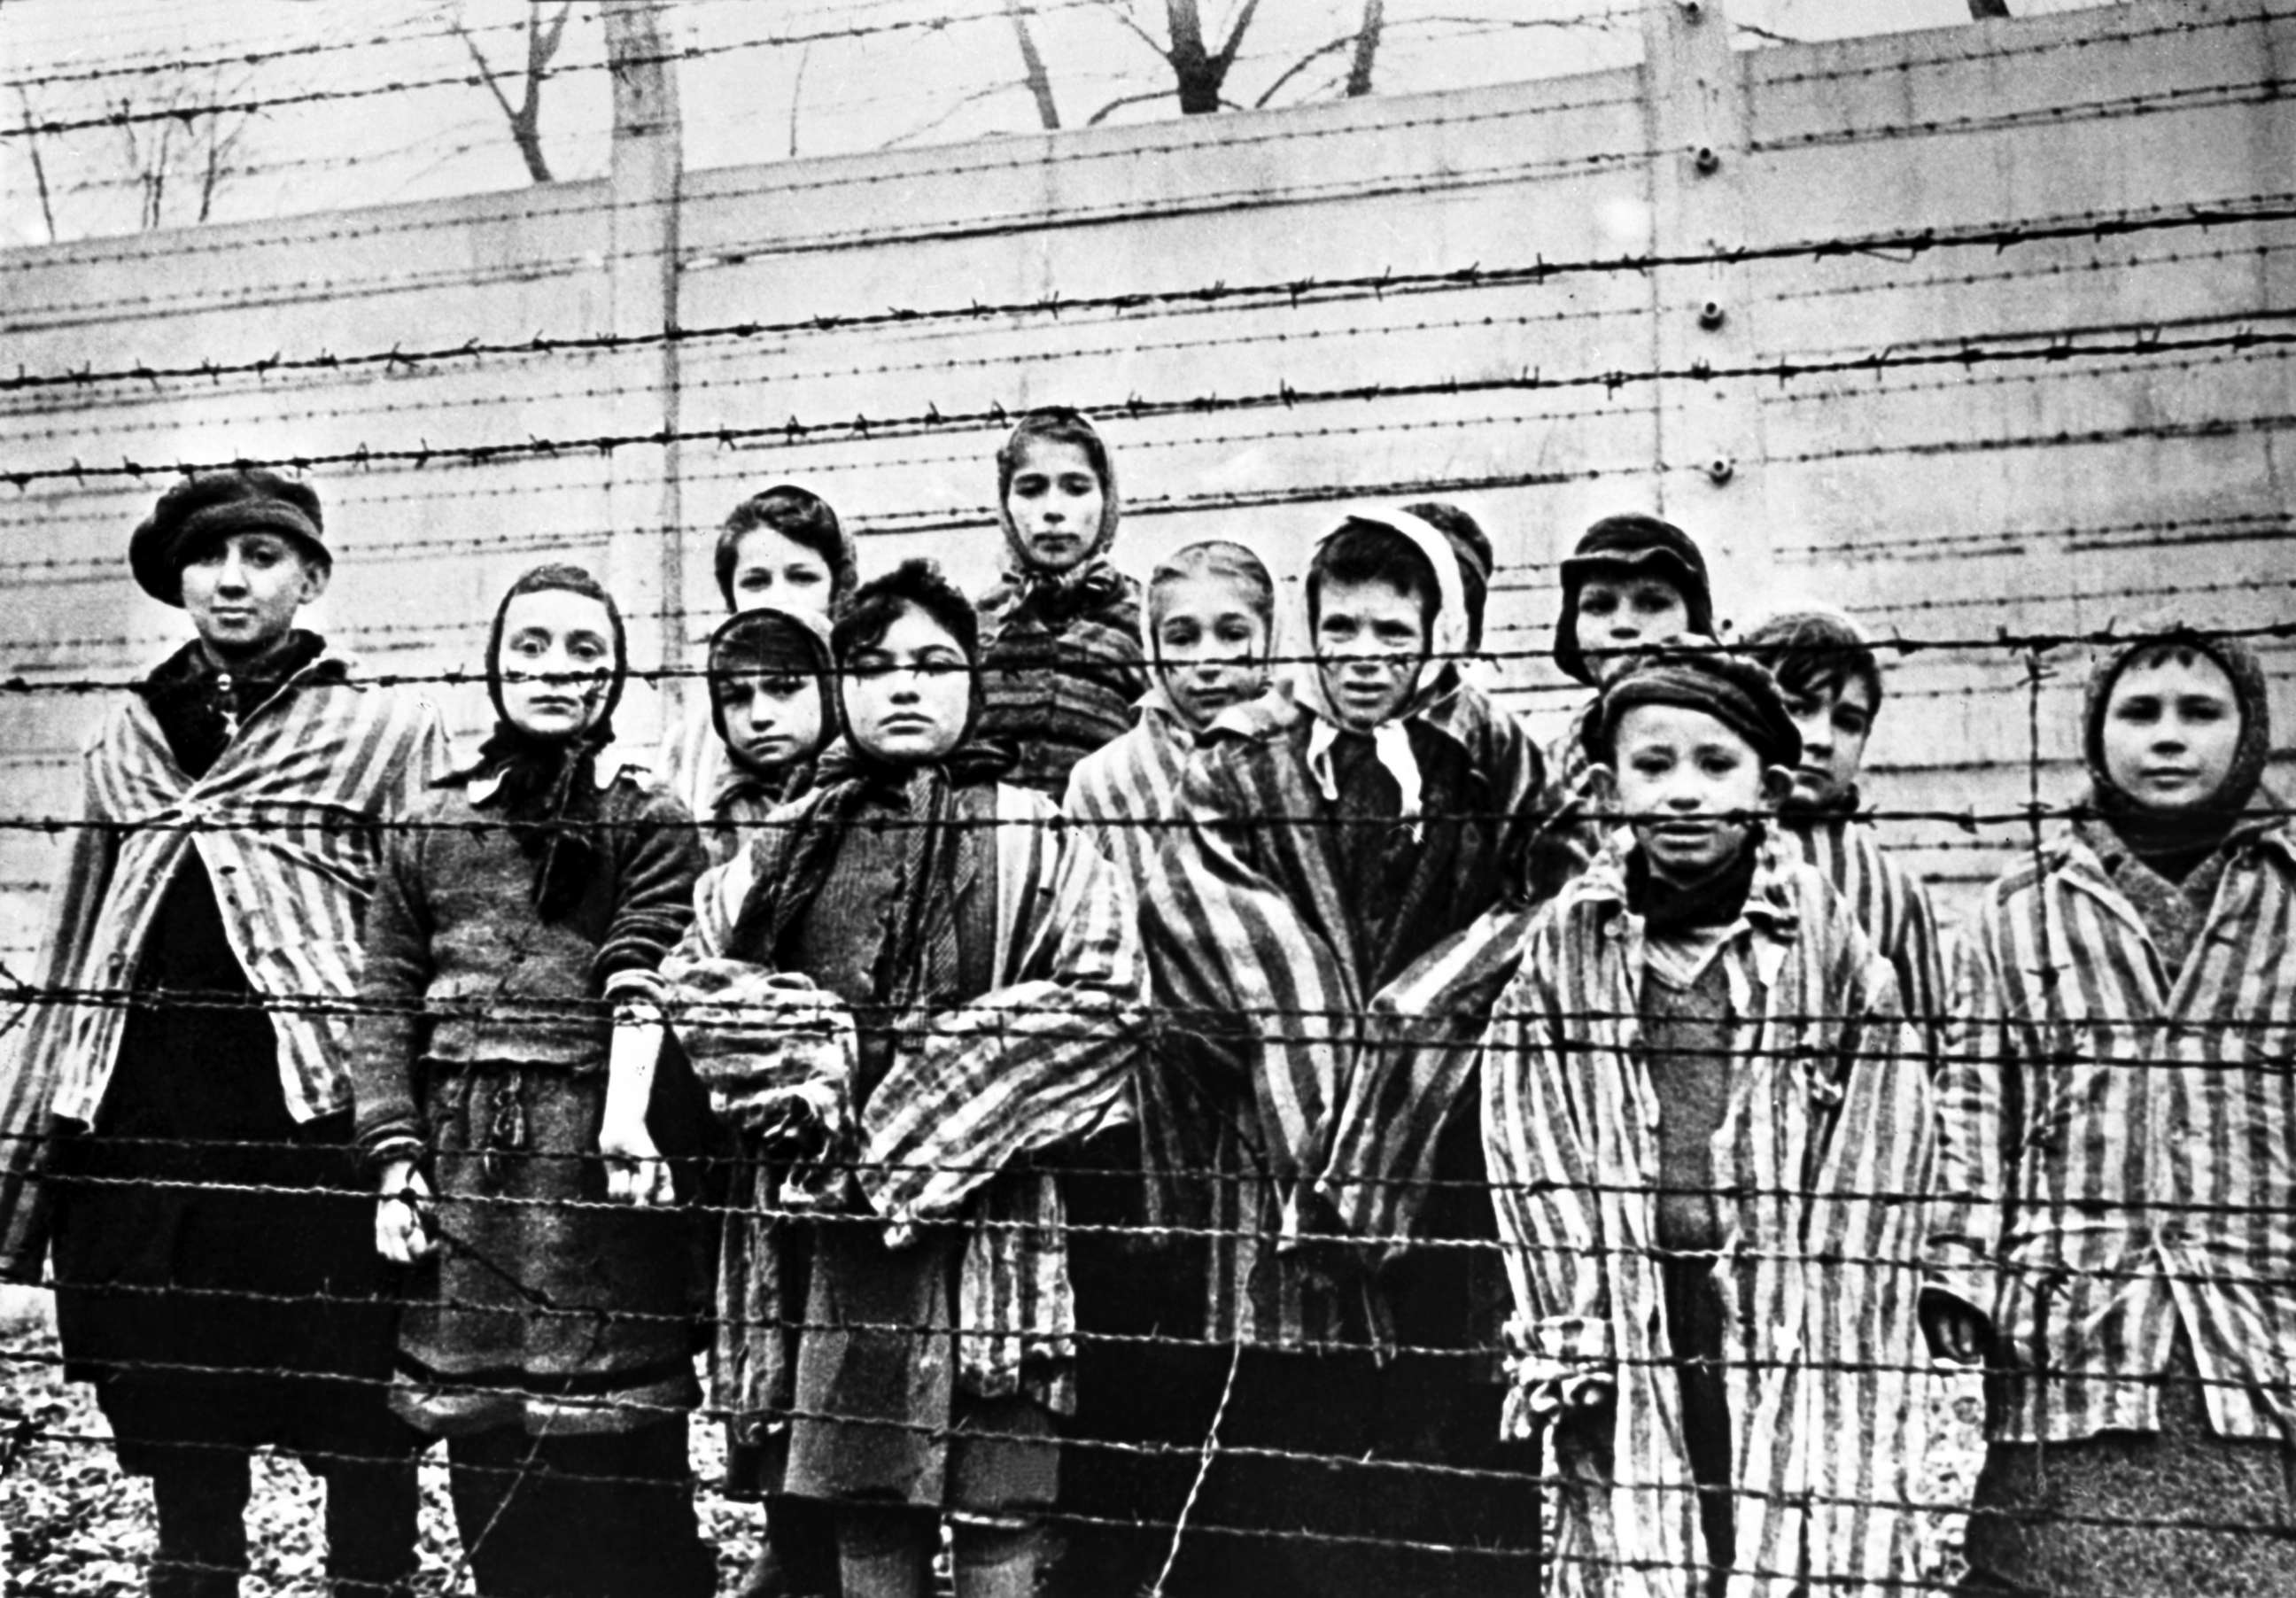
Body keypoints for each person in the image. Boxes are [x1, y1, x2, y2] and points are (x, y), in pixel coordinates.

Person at [0, 469, 447, 1598]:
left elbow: (429, 925)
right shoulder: (130, 741)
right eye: (211, 559)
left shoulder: (381, 731)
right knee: (181, 1415)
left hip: (314, 1128)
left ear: (312, 578)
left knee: (358, 1412)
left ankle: (370, 1584)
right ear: (179, 581)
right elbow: (75, 938)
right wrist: (35, 1136)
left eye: (262, 557)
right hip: (154, 1132)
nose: (234, 581)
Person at [663, 558, 1141, 1598]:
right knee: (863, 1496)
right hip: (833, 1231)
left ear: (974, 679)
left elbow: (1107, 1003)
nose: (906, 687)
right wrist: (805, 1056)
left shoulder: (1036, 832)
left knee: (997, 1497)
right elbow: (697, 977)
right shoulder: (789, 841)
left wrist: (944, 1100)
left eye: (934, 663)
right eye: (874, 667)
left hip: (992, 1223)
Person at [1138, 508, 1545, 1597]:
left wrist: (1425, 1026)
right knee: (1292, 1462)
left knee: (1437, 1450)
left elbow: (1545, 899)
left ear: (1440, 632)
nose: (1366, 657)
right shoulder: (1238, 761)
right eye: (1341, 628)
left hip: (1445, 1161)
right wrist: (1328, 1078)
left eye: (1394, 632)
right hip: (1277, 1163)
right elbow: (1207, 940)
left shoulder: (1490, 755)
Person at [1482, 646, 1935, 1598]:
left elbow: (1883, 1142)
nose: (1683, 793)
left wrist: (1840, 1316)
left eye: (1714, 765)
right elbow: (1528, 1127)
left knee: (1783, 1512)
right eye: (1653, 767)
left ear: (1768, 789)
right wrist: (1571, 1314)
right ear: (1608, 788)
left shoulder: (1830, 951)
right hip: (1633, 1298)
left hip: (1788, 1306)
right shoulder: (1571, 949)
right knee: (1644, 1522)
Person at [349, 563, 716, 1598]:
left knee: (625, 1477)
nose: (555, 672)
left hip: (599, 1173)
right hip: (466, 1175)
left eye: (582, 652)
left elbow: (657, 971)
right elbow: (385, 996)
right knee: (491, 1464)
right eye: (531, 649)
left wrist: (625, 1119)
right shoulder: (431, 824)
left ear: (617, 674)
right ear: (496, 667)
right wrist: (394, 1160)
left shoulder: (650, 818)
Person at [1927, 624, 2296, 1596]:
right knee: (2057, 1564)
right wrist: (1962, 1270)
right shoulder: (2021, 914)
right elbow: (1972, 1098)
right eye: (2139, 712)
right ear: (2097, 737)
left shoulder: (2290, 913)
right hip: (2071, 1335)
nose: (2167, 738)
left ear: (2250, 735)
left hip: (2258, 1329)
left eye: (2200, 713)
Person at [1055, 539, 1277, 1597]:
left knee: (1249, 1359)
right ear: (1148, 649)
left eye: (1234, 635)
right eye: (1181, 638)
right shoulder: (1106, 779)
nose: (1208, 661)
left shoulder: (1294, 760)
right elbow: (1098, 941)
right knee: (1143, 1354)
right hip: (1144, 1100)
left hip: (1274, 1106)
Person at [1741, 606, 1947, 1046]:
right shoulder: (1690, 840)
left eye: (1848, 722)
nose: (1822, 739)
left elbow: (1924, 1055)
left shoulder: (1893, 890)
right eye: (1798, 708)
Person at [1534, 513, 1717, 900]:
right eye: (1599, 605)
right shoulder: (1540, 774)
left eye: (1652, 603)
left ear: (1694, 621)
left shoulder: (1740, 756)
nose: (1623, 625)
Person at [973, 407, 1150, 797]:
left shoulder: (1145, 624)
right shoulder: (975, 627)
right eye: (1031, 489)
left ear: (1106, 499)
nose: (1052, 510)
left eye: (1076, 487)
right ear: (1005, 503)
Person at [661, 485, 857, 833]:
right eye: (756, 582)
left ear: (838, 590)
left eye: (802, 578)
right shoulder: (689, 746)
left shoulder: (871, 720)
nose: (779, 599)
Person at [696, 602, 838, 865]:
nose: (759, 716)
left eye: (784, 688)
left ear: (831, 691)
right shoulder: (717, 819)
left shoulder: (872, 798)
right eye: (736, 697)